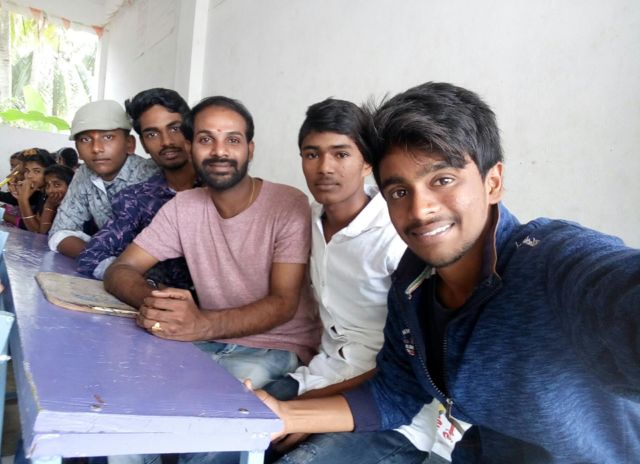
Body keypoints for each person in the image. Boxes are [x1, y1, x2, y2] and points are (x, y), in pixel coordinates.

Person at [252, 82, 640, 463]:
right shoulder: (412, 283)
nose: (420, 210)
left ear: (493, 182)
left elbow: (619, 292)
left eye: (443, 180)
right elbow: (394, 392)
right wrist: (285, 414)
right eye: (399, 192)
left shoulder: (551, 261)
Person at [104, 95, 320, 388]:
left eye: (233, 140)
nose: (220, 151)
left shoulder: (288, 204)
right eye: (206, 140)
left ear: (250, 150)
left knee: (212, 400)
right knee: (129, 380)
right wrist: (159, 306)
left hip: (276, 346)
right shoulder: (183, 207)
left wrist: (200, 324)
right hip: (205, 339)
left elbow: (283, 303)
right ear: (190, 148)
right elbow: (121, 269)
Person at [77, 88, 197, 288]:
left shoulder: (218, 189)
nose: (167, 141)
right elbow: (92, 256)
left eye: (175, 128)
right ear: (144, 144)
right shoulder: (137, 199)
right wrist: (148, 286)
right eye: (152, 134)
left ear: (192, 130)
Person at [48, 100, 158, 257]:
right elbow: (60, 232)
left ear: (129, 144)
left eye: (108, 137)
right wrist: (103, 261)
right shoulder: (85, 173)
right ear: (77, 150)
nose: (96, 148)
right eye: (85, 140)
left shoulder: (151, 176)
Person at [0, 148, 56, 232]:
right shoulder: (41, 192)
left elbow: (37, 231)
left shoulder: (53, 195)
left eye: (36, 171)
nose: (29, 176)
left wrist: (22, 199)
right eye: (27, 171)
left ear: (49, 172)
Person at [38, 164, 75, 234]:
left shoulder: (77, 208)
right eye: (48, 185)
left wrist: (49, 207)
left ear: (71, 186)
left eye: (57, 185)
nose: (50, 190)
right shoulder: (50, 202)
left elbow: (46, 233)